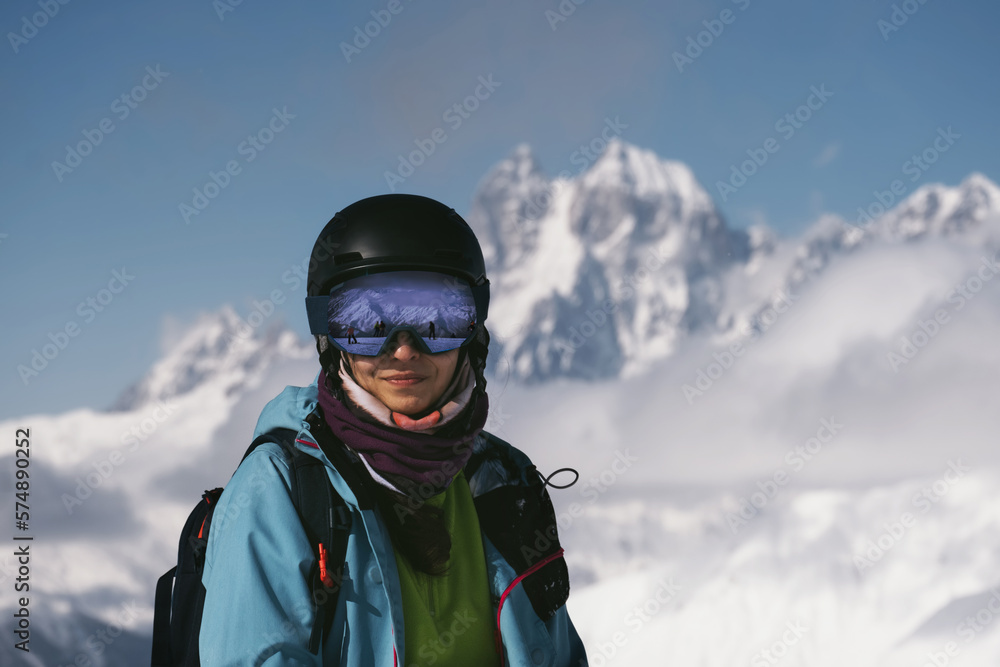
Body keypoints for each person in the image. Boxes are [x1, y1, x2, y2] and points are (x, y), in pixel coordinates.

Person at [199, 194, 588, 666]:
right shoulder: (282, 487)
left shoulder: (504, 479)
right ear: (329, 336)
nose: (404, 350)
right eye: (366, 320)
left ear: (474, 331)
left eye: (436, 317)